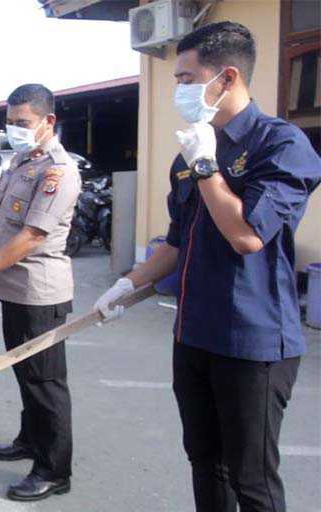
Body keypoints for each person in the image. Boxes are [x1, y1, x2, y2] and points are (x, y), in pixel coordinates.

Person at [94, 22, 320, 512]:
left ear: (228, 78)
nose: (178, 90)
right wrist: (126, 283)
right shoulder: (187, 154)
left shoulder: (279, 145)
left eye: (186, 79)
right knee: (204, 461)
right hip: (193, 334)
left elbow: (246, 236)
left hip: (253, 343)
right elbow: (176, 243)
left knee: (252, 477)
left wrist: (206, 167)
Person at [0, 84, 81, 502]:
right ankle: (29, 437)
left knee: (45, 381)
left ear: (48, 121)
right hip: (13, 289)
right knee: (23, 371)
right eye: (9, 122)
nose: (13, 130)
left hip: (39, 292)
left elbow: (32, 236)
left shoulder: (58, 171)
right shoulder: (24, 160)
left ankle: (54, 469)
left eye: (22, 123)